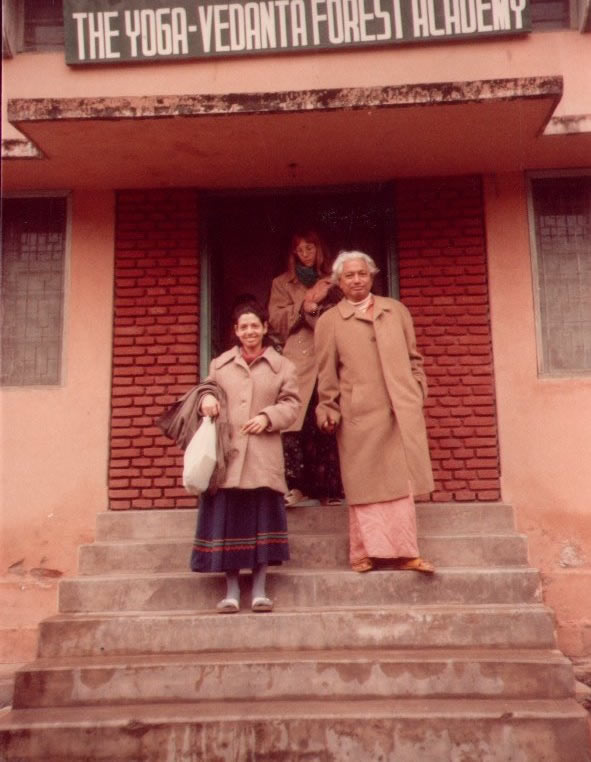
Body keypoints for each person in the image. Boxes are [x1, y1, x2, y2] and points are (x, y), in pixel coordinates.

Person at [314, 251, 435, 574]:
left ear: (372, 276)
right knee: (364, 488)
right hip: (359, 417)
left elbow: (414, 359)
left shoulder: (395, 311)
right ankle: (363, 553)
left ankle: (406, 553)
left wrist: (416, 392)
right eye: (349, 275)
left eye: (362, 274)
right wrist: (328, 407)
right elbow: (326, 374)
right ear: (339, 282)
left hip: (398, 414)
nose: (357, 280)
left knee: (400, 488)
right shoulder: (329, 322)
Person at [190, 301, 300, 612]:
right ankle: (232, 592)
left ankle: (260, 591)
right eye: (243, 327)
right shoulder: (220, 364)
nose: (250, 331)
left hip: (263, 458)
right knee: (229, 526)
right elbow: (206, 390)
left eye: (255, 326)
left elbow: (292, 405)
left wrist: (268, 417)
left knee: (262, 524)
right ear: (236, 331)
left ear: (264, 328)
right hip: (228, 457)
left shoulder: (283, 367)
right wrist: (207, 398)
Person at [268, 229, 343, 506]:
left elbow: (341, 316)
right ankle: (297, 487)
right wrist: (306, 304)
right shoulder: (281, 283)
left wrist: (316, 308)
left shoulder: (334, 281)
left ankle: (329, 489)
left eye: (310, 247)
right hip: (298, 362)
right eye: (300, 249)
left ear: (318, 249)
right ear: (294, 253)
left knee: (326, 422)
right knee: (294, 425)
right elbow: (276, 322)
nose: (305, 254)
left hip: (328, 358)